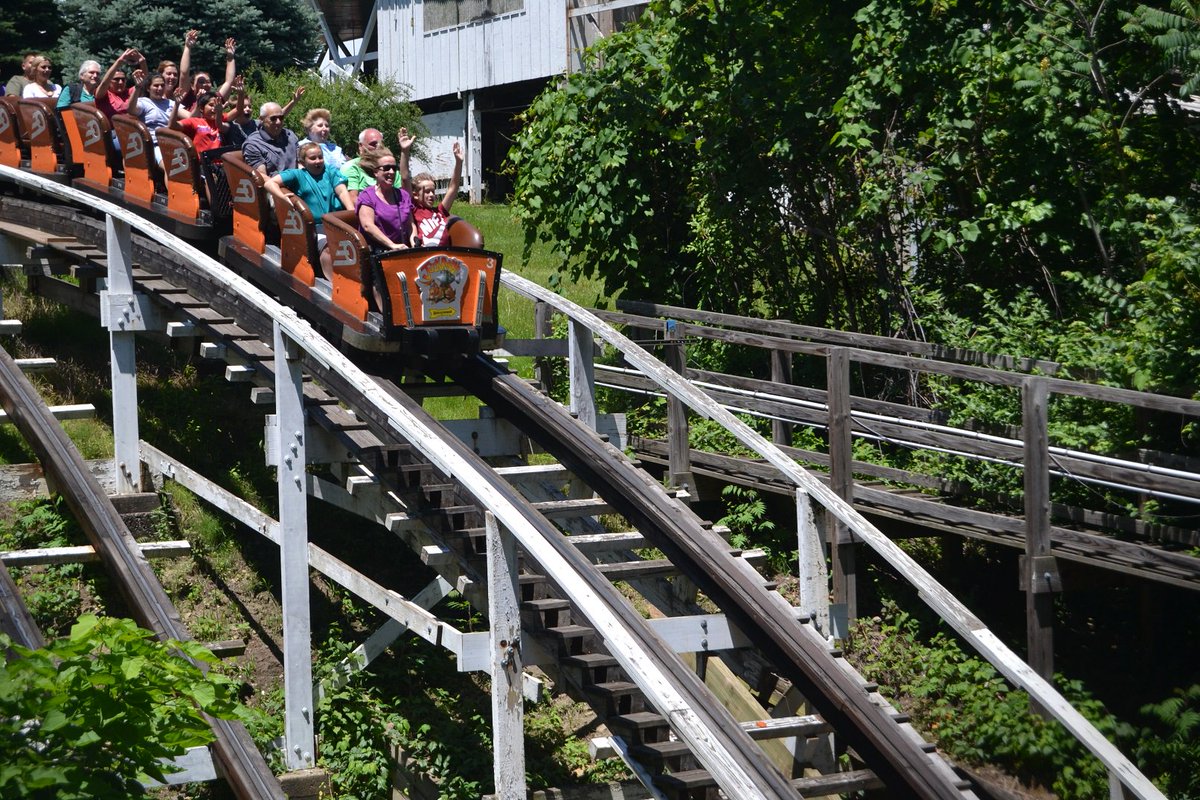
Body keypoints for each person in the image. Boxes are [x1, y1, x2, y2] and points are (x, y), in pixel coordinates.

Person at [263, 141, 352, 278]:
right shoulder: (298, 174)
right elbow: (270, 183)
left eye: (320, 157)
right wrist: (282, 198)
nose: (318, 161)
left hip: (335, 223)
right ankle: (334, 284)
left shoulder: (331, 171)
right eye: (312, 158)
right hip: (315, 227)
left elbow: (341, 191)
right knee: (328, 250)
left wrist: (352, 213)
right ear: (303, 161)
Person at [355, 147, 412, 252]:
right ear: (376, 172)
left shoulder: (404, 195)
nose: (391, 172)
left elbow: (410, 224)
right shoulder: (367, 196)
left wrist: (414, 241)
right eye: (386, 168)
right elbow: (368, 226)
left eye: (394, 168)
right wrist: (392, 245)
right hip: (378, 252)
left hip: (403, 251)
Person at [412, 141, 463, 247]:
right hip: (423, 257)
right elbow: (404, 179)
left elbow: (453, 188)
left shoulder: (440, 212)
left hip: (443, 259)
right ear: (416, 195)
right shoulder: (414, 210)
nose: (431, 195)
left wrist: (459, 162)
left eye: (433, 191)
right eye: (426, 192)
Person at [343, 127, 412, 204]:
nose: (378, 148)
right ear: (360, 146)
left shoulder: (389, 168)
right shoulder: (352, 167)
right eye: (373, 144)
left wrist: (404, 151)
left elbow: (405, 196)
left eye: (381, 144)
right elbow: (352, 199)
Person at [242, 100, 301, 176]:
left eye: (281, 117)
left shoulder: (290, 135)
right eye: (273, 119)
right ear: (261, 120)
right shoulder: (253, 144)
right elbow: (263, 178)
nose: (278, 122)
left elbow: (301, 163)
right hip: (276, 185)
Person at [180, 37, 236, 113]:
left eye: (208, 81)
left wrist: (230, 57)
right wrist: (187, 47)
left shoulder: (215, 99)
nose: (205, 84)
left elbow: (230, 82)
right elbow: (184, 74)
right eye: (201, 81)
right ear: (192, 86)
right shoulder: (186, 97)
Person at [128, 72, 176, 144]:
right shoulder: (144, 102)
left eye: (162, 85)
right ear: (148, 88)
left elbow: (190, 117)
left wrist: (198, 103)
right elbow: (131, 110)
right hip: (154, 144)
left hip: (171, 143)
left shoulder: (171, 103)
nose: (160, 88)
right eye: (156, 86)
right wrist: (137, 87)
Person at [94, 49, 142, 121]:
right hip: (113, 130)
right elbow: (104, 84)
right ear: (109, 81)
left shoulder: (128, 92)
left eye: (123, 79)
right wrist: (119, 61)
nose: (120, 82)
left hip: (132, 128)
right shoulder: (104, 95)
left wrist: (142, 61)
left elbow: (143, 79)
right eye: (116, 79)